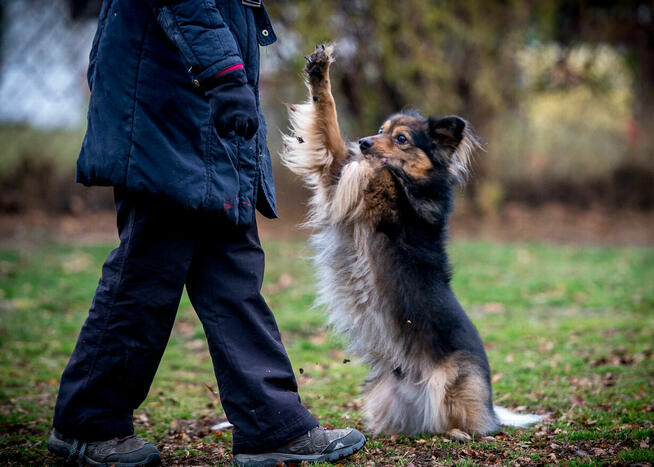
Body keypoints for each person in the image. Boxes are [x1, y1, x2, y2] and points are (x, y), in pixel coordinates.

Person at [47, 1, 365, 465]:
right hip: (166, 108)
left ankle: (271, 426)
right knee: (150, 265)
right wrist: (226, 75)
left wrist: (228, 80)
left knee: (231, 271)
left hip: (204, 115)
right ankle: (87, 423)